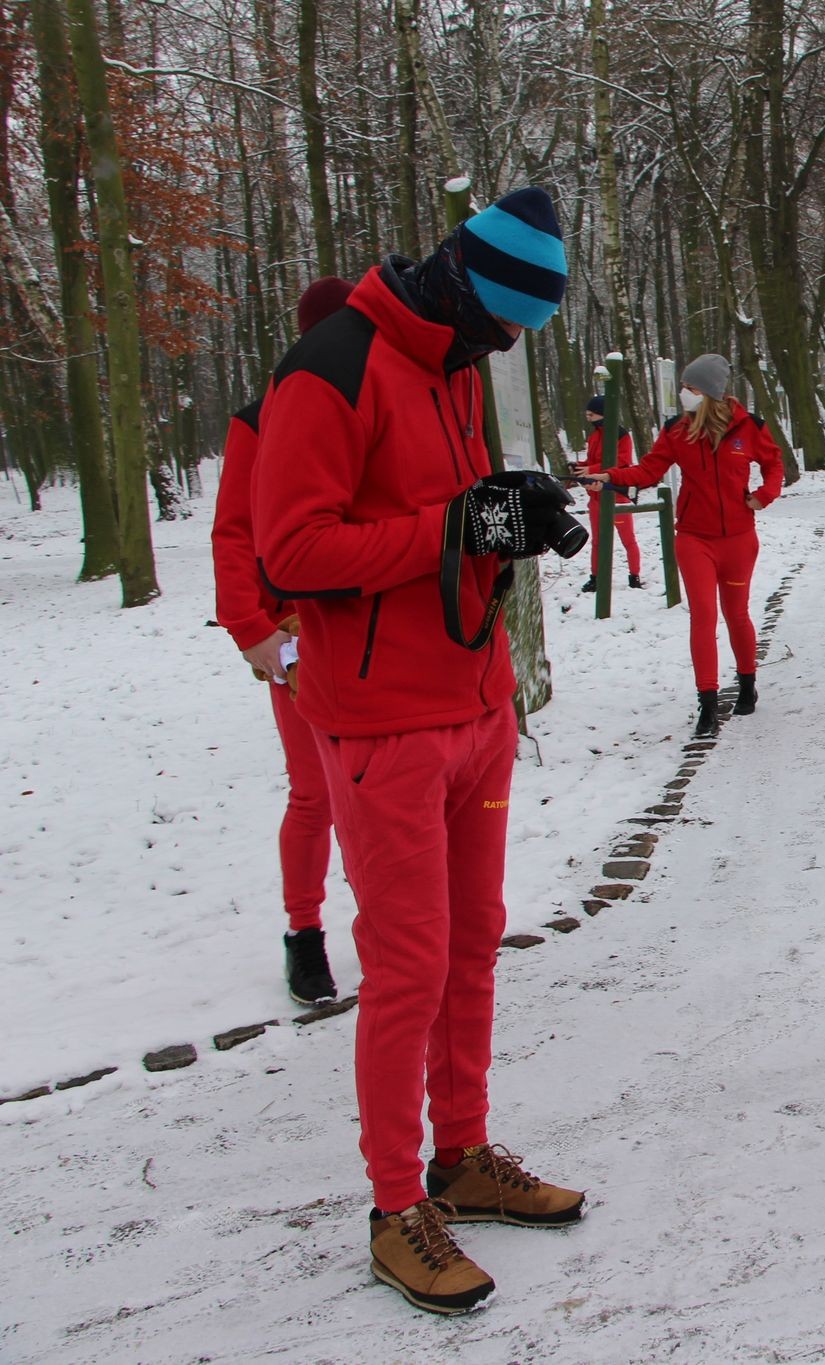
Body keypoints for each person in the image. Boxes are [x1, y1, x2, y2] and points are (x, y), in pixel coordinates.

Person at [253, 187, 586, 1316]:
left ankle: (463, 1155)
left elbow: (446, 508)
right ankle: (398, 1204)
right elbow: (291, 548)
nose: (510, 346)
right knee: (407, 968)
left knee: (474, 944)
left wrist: (510, 509)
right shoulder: (329, 365)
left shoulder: (451, 359)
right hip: (380, 722)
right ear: (468, 290)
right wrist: (457, 527)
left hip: (474, 704)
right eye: (508, 325)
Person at [212, 275, 357, 1007]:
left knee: (377, 788)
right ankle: (305, 933)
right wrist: (252, 628)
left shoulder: (382, 398)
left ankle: (392, 923)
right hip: (297, 638)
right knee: (315, 793)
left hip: (372, 632)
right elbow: (234, 531)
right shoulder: (260, 417)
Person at [580, 354, 782, 739]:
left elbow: (774, 464)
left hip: (739, 538)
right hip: (693, 537)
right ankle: (707, 702)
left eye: (690, 389)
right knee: (703, 615)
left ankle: (746, 684)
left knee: (737, 615)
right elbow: (648, 470)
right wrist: (608, 477)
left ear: (709, 392)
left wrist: (764, 495)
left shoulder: (749, 427)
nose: (684, 395)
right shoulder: (676, 430)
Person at [580, 394, 644, 592]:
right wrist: (580, 468)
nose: (588, 417)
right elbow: (591, 462)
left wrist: (591, 470)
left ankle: (634, 576)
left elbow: (621, 463)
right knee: (598, 541)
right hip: (596, 497)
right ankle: (596, 577)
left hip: (617, 496)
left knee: (628, 539)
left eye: (592, 414)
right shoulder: (593, 436)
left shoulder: (621, 435)